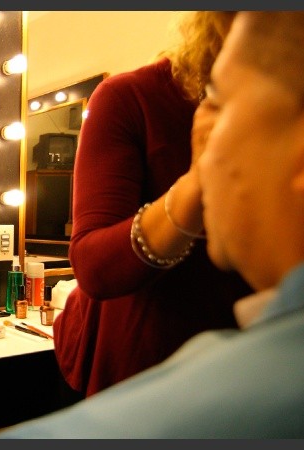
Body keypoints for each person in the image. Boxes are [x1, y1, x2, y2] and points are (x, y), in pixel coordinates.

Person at [0, 11, 304, 438]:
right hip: (149, 359)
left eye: (222, 103)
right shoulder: (131, 96)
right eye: (211, 99)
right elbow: (94, 264)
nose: (205, 130)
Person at [54, 11, 252, 398]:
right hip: (148, 369)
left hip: (255, 359)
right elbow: (94, 265)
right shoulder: (131, 97)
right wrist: (196, 186)